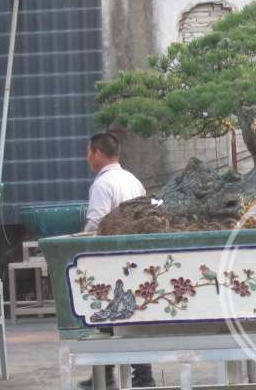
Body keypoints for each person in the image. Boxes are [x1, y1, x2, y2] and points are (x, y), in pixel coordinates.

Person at [78, 132, 156, 389]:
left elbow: (95, 224)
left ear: (98, 153)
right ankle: (134, 375)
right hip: (136, 260)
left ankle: (111, 374)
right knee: (132, 318)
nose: (87, 158)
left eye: (89, 152)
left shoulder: (103, 184)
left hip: (110, 261)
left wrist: (81, 245)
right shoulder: (133, 180)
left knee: (106, 316)